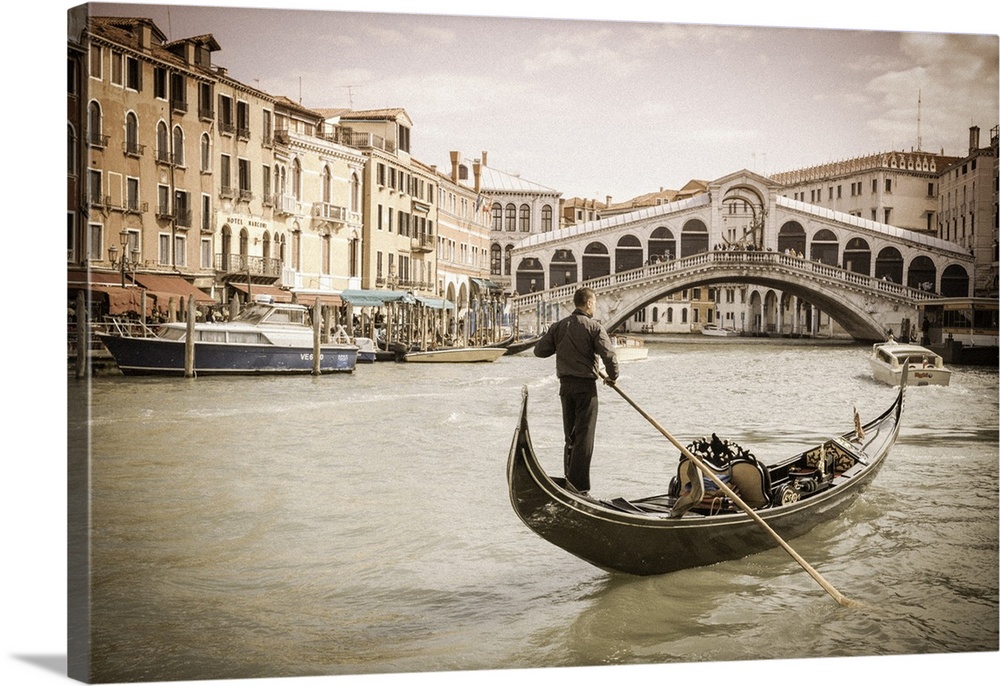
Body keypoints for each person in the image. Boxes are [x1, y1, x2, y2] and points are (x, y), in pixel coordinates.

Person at [534, 287, 620, 496]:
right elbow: (609, 356)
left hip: (565, 387)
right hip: (585, 389)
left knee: (570, 436)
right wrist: (612, 377)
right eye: (595, 303)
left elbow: (539, 351)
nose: (596, 307)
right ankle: (579, 487)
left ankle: (569, 477)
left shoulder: (559, 327)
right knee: (584, 437)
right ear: (589, 303)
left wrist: (560, 344)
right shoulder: (594, 327)